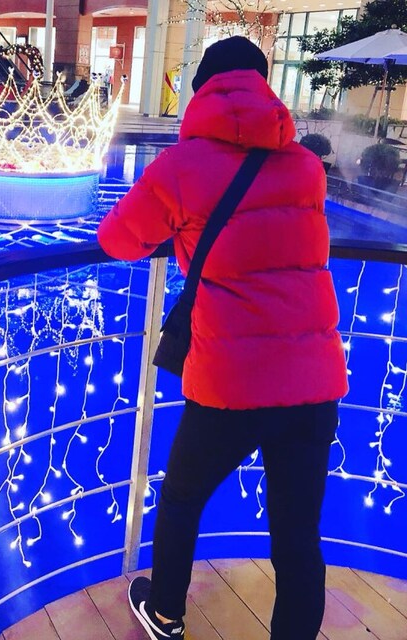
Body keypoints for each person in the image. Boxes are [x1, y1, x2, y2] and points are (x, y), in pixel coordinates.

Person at [97, 36, 348, 640]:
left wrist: (181, 228)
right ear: (265, 87)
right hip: (314, 380)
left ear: (201, 93)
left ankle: (165, 614)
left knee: (183, 498)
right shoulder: (306, 167)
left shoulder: (181, 167)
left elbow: (117, 240)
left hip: (232, 383)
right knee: (298, 537)